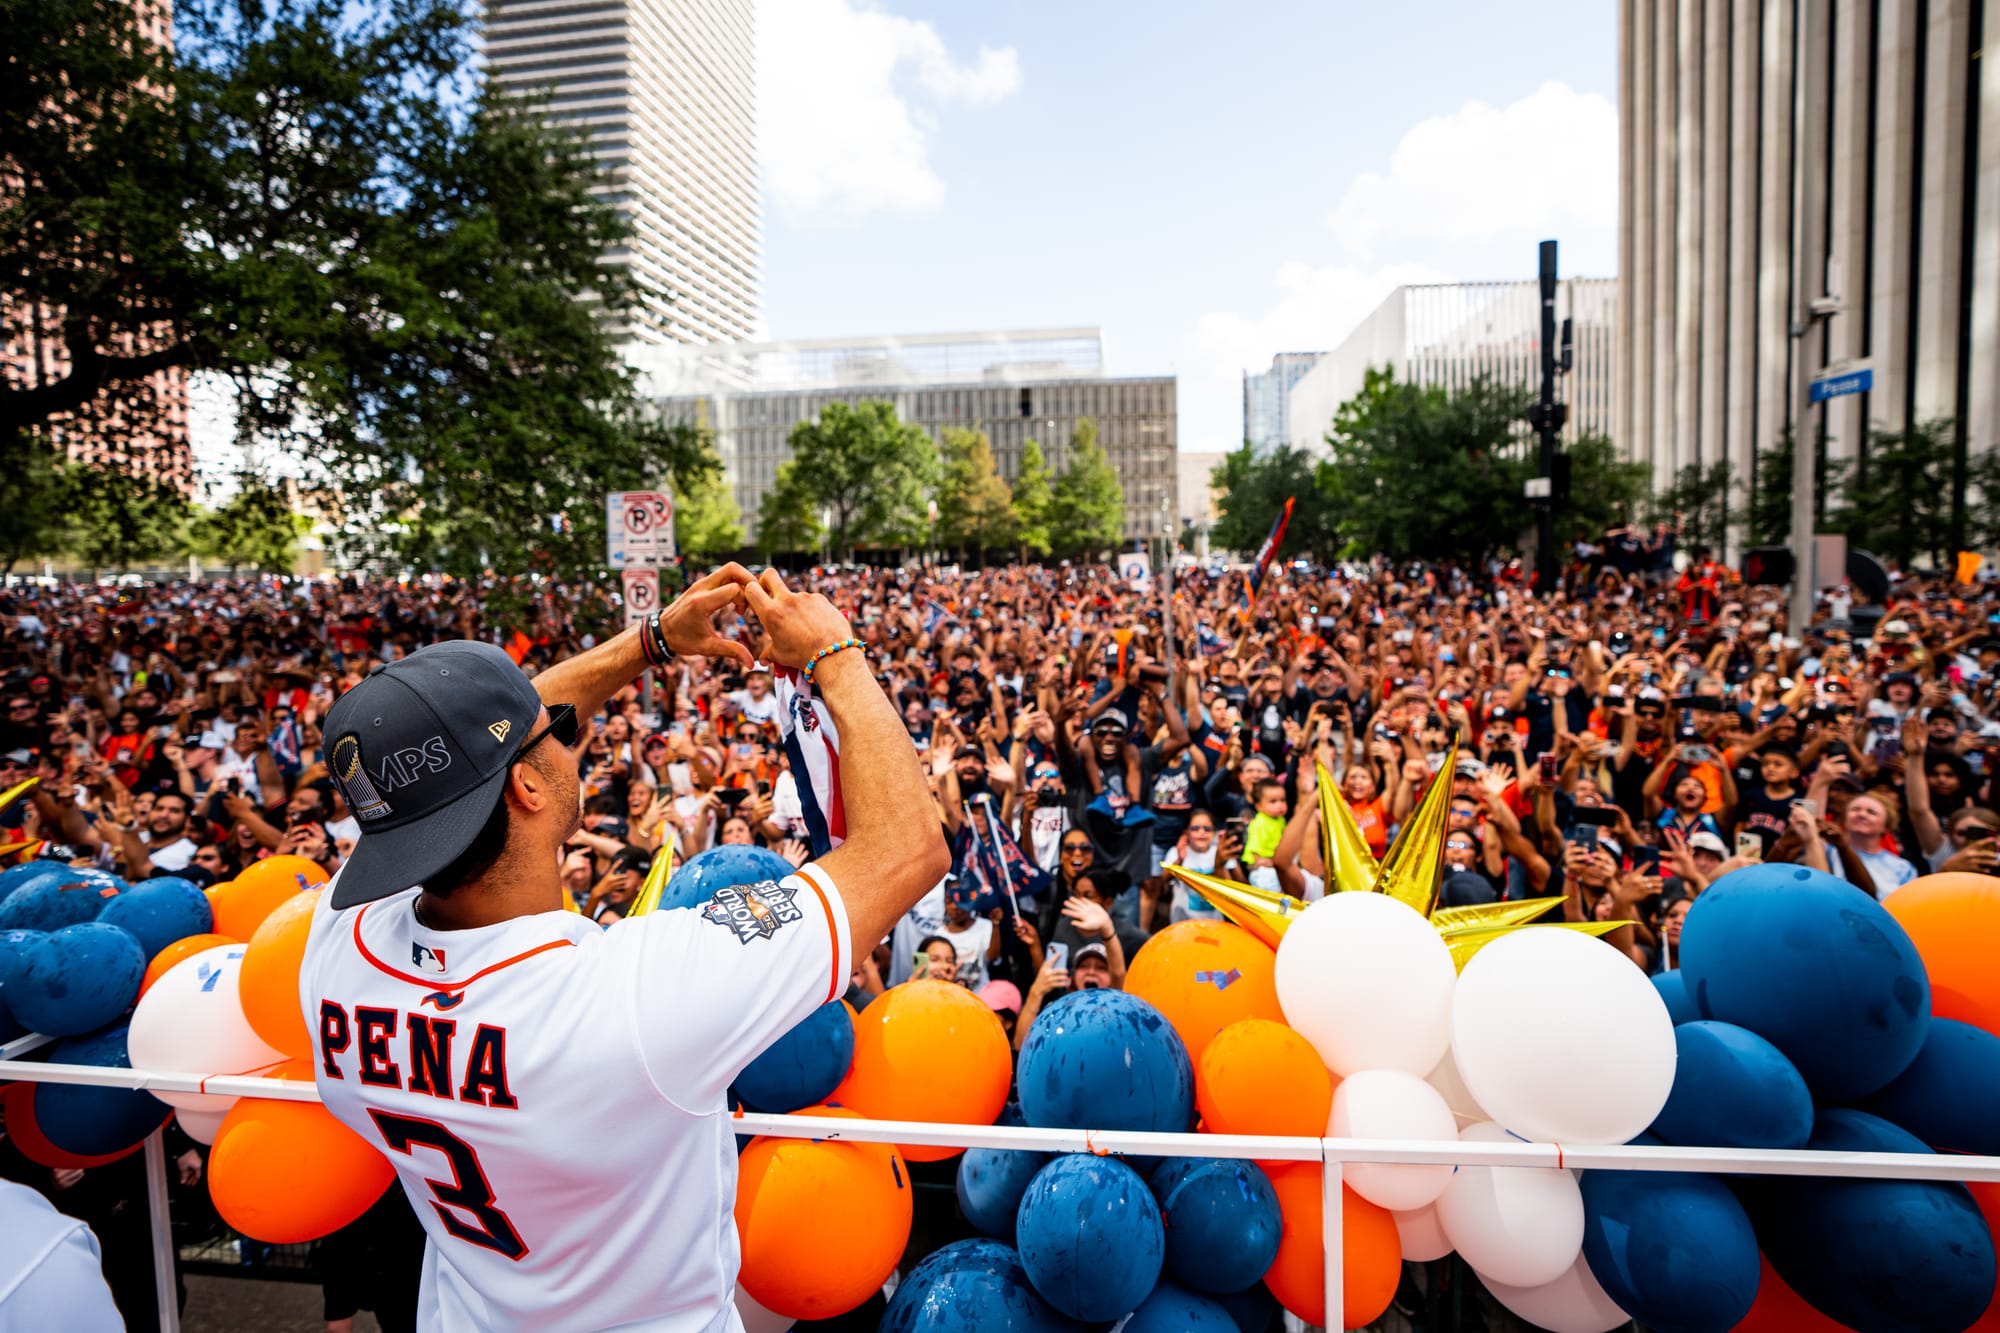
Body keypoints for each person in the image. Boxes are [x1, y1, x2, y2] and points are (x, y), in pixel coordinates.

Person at [298, 566, 949, 1332]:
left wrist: (653, 642)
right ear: (529, 791)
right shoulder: (637, 997)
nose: (567, 722)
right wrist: (832, 652)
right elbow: (909, 848)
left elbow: (475, 758)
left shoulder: (338, 953)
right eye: (557, 731)